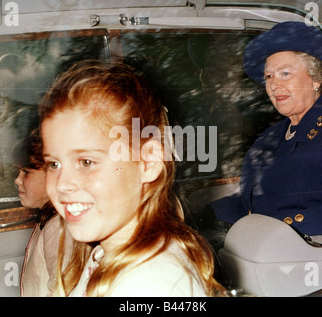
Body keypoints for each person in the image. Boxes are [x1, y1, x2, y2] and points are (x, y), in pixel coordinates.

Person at [39, 60, 226, 296]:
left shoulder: (151, 284)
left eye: (87, 162)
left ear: (148, 162)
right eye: (53, 164)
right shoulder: (106, 254)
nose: (63, 184)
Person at [202, 21, 322, 236]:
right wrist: (201, 215)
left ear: (316, 79)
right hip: (253, 245)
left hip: (300, 249)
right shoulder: (268, 138)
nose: (274, 85)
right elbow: (246, 203)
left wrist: (270, 233)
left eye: (285, 73)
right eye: (269, 76)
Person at [12, 129, 73, 296]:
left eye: (26, 172)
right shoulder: (47, 222)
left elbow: (63, 290)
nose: (17, 180)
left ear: (52, 175)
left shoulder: (58, 227)